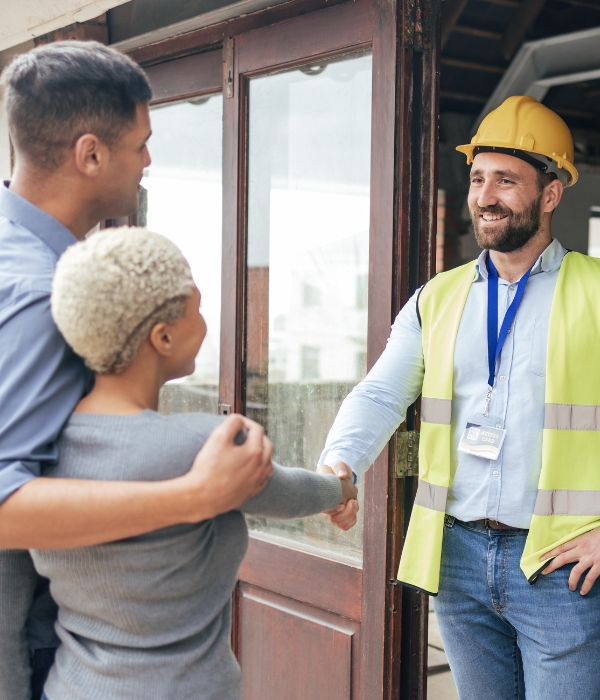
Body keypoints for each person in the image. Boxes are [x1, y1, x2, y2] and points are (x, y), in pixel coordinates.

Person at [0, 41, 278, 700]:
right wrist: (194, 497)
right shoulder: (44, 298)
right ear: (91, 154)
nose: (148, 162)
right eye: (141, 144)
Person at [318, 95, 600, 699]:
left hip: (559, 564)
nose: (485, 196)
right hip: (460, 557)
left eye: (506, 180)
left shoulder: (595, 292)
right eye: (477, 178)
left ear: (551, 194)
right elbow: (380, 393)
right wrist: (340, 463)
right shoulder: (437, 298)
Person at [28, 225, 358, 700]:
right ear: (162, 337)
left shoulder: (37, 450)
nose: (205, 323)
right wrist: (340, 488)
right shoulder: (205, 444)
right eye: (197, 308)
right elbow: (290, 494)